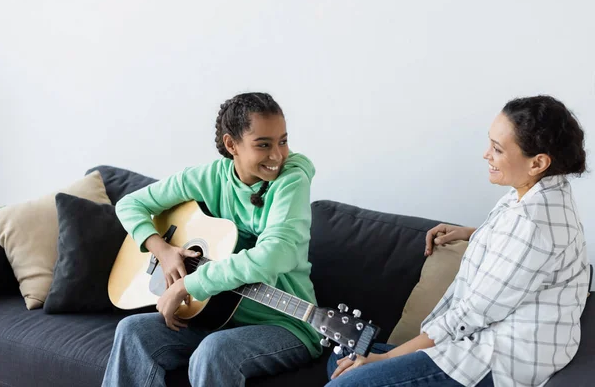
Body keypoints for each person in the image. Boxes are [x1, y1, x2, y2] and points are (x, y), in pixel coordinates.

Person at [326, 95, 589, 387]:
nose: (486, 154)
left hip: (499, 358)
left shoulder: (534, 224)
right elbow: (522, 256)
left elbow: (470, 314)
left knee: (348, 380)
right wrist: (472, 233)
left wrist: (386, 361)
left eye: (497, 149)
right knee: (344, 355)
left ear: (538, 162)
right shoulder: (541, 194)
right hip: (483, 341)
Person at [102, 92, 321, 387]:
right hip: (216, 318)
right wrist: (163, 250)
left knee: (215, 351)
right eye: (263, 145)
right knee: (132, 331)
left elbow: (274, 255)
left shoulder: (292, 180)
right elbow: (129, 204)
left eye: (282, 141)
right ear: (232, 145)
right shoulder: (207, 178)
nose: (278, 155)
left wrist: (188, 284)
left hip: (284, 322)